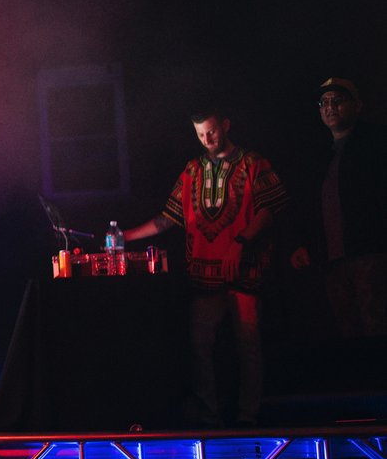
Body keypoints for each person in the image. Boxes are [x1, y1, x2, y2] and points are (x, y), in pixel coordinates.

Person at [122, 108, 287, 427]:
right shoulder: (193, 170)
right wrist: (125, 235)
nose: (206, 139)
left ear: (225, 125)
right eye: (199, 134)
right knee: (200, 345)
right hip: (203, 274)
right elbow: (169, 217)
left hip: (244, 270)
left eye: (210, 131)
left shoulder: (254, 163)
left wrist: (241, 242)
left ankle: (248, 416)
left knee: (249, 346)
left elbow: (269, 209)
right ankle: (210, 416)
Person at [289, 78, 387, 351]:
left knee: (375, 321)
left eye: (338, 100)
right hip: (333, 256)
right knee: (346, 326)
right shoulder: (320, 154)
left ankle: (378, 386)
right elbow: (307, 203)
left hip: (371, 251)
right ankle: (358, 385)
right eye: (325, 102)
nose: (330, 107)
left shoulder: (377, 143)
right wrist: (302, 243)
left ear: (357, 106)